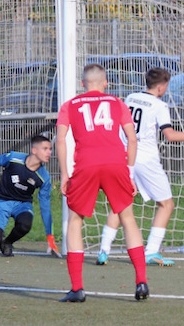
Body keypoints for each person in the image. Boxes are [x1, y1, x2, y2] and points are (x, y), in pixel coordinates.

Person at [97, 67, 184, 266]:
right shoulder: (159, 105)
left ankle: (103, 251)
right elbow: (170, 135)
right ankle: (151, 251)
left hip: (123, 157)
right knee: (166, 204)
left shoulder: (131, 98)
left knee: (122, 203)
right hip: (145, 160)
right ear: (161, 87)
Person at [55, 62, 148, 302]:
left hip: (85, 164)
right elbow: (132, 139)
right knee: (127, 218)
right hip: (115, 163)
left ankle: (77, 288)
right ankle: (141, 282)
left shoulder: (69, 105)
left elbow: (61, 140)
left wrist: (64, 174)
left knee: (75, 220)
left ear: (82, 84)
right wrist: (130, 173)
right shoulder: (117, 103)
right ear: (105, 83)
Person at [0, 134, 59, 258]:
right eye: (45, 149)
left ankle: (8, 242)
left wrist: (50, 237)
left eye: (50, 149)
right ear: (34, 150)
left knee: (25, 224)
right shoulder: (14, 158)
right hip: (1, 201)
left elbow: (45, 207)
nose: (49, 152)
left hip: (22, 205)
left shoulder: (44, 177)